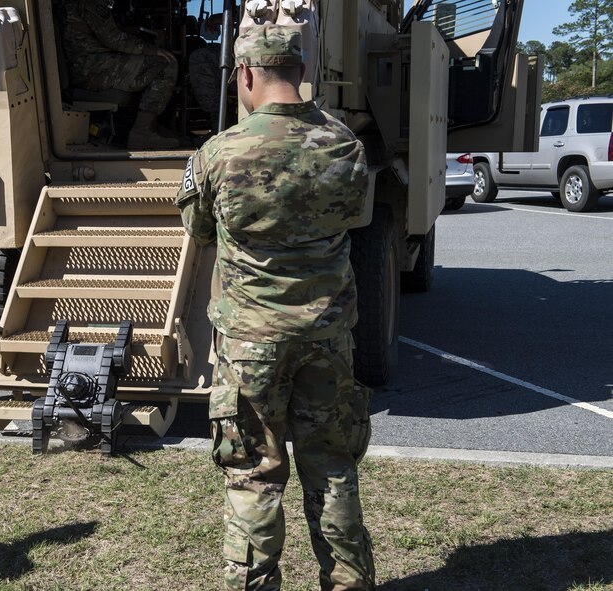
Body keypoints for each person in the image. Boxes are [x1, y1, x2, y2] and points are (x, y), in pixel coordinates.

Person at [175, 25, 376, 591]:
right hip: (327, 336)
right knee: (333, 469)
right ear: (300, 71)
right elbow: (354, 218)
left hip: (250, 343)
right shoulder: (344, 145)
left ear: (244, 75)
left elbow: (199, 229)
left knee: (253, 478)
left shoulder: (217, 153)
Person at [62, 0, 179, 150]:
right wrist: (152, 50)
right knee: (165, 64)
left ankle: (152, 128)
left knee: (150, 66)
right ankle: (142, 132)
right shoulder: (90, 3)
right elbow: (114, 40)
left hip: (90, 67)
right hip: (94, 69)